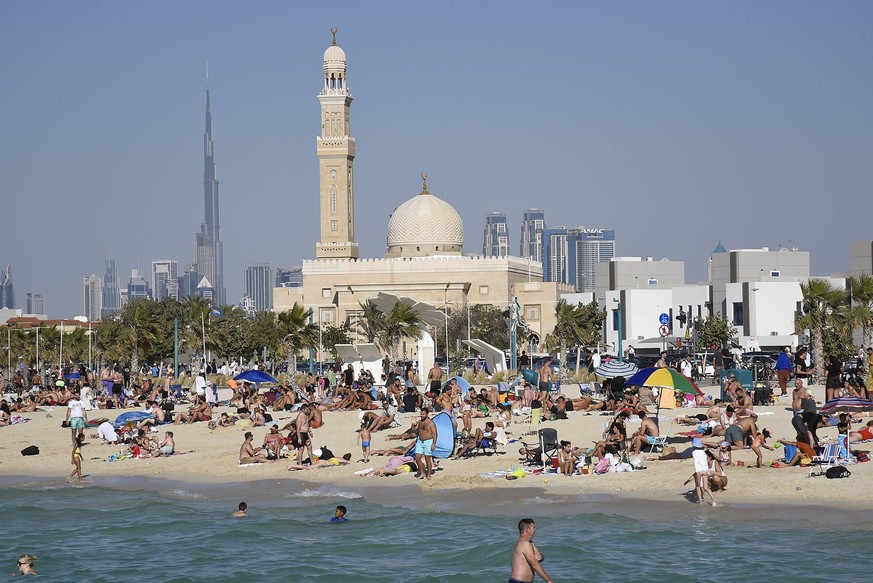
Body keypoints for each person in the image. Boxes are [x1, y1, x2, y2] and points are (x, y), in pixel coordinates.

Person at [509, 518, 554, 583]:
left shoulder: (530, 542)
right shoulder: (524, 544)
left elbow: (540, 558)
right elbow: (535, 564)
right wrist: (549, 581)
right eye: (533, 528)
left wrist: (541, 556)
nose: (535, 529)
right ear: (527, 530)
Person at [685, 438, 716, 506]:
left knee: (698, 486)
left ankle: (700, 501)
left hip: (698, 471)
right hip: (705, 470)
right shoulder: (704, 453)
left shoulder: (694, 452)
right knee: (706, 487)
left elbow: (697, 462)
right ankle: (713, 499)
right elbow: (704, 462)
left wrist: (697, 471)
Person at [414, 407, 438, 480]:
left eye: (423, 414)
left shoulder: (431, 423)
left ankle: (429, 474)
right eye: (421, 414)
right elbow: (414, 431)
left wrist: (434, 444)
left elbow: (435, 434)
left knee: (428, 459)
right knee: (417, 458)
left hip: (428, 441)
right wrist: (413, 425)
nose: (422, 415)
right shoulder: (419, 422)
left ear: (427, 414)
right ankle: (422, 472)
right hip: (420, 441)